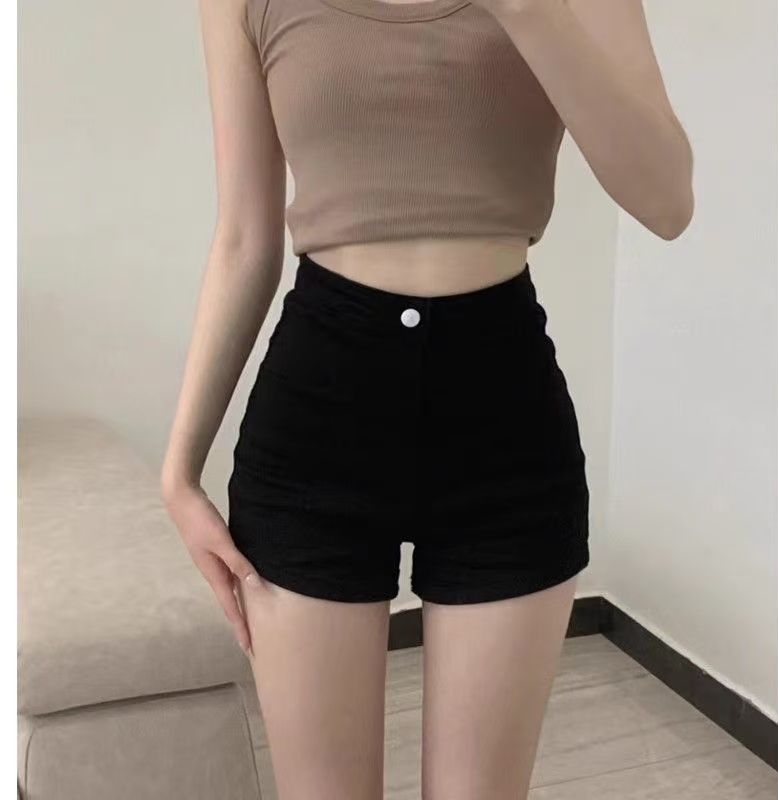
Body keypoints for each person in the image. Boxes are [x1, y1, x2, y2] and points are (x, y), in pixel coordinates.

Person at [161, 0, 693, 797]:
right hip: (315, 418)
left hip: (505, 419)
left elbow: (668, 202)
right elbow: (243, 237)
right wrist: (179, 471)